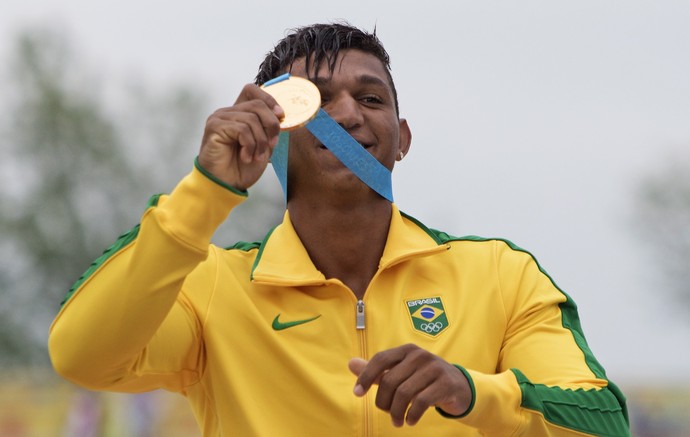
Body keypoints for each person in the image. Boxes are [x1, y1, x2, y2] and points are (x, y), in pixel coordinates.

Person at [48, 22, 630, 436]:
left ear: (401, 138)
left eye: (369, 98)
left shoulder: (501, 276)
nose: (349, 115)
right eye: (318, 104)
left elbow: (603, 423)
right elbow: (83, 356)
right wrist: (206, 190)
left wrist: (470, 392)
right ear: (273, 134)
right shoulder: (213, 286)